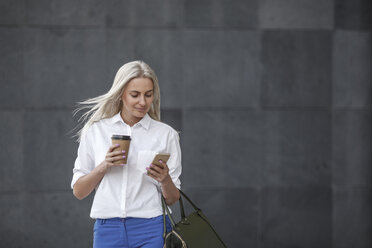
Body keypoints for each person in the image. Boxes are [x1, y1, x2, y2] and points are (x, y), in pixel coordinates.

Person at [71, 60, 181, 248]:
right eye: (135, 95)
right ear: (121, 93)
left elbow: (172, 198)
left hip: (152, 227)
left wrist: (165, 179)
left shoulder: (166, 134)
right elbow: (79, 192)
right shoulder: (96, 131)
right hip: (108, 230)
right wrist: (104, 166)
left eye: (148, 94)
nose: (143, 102)